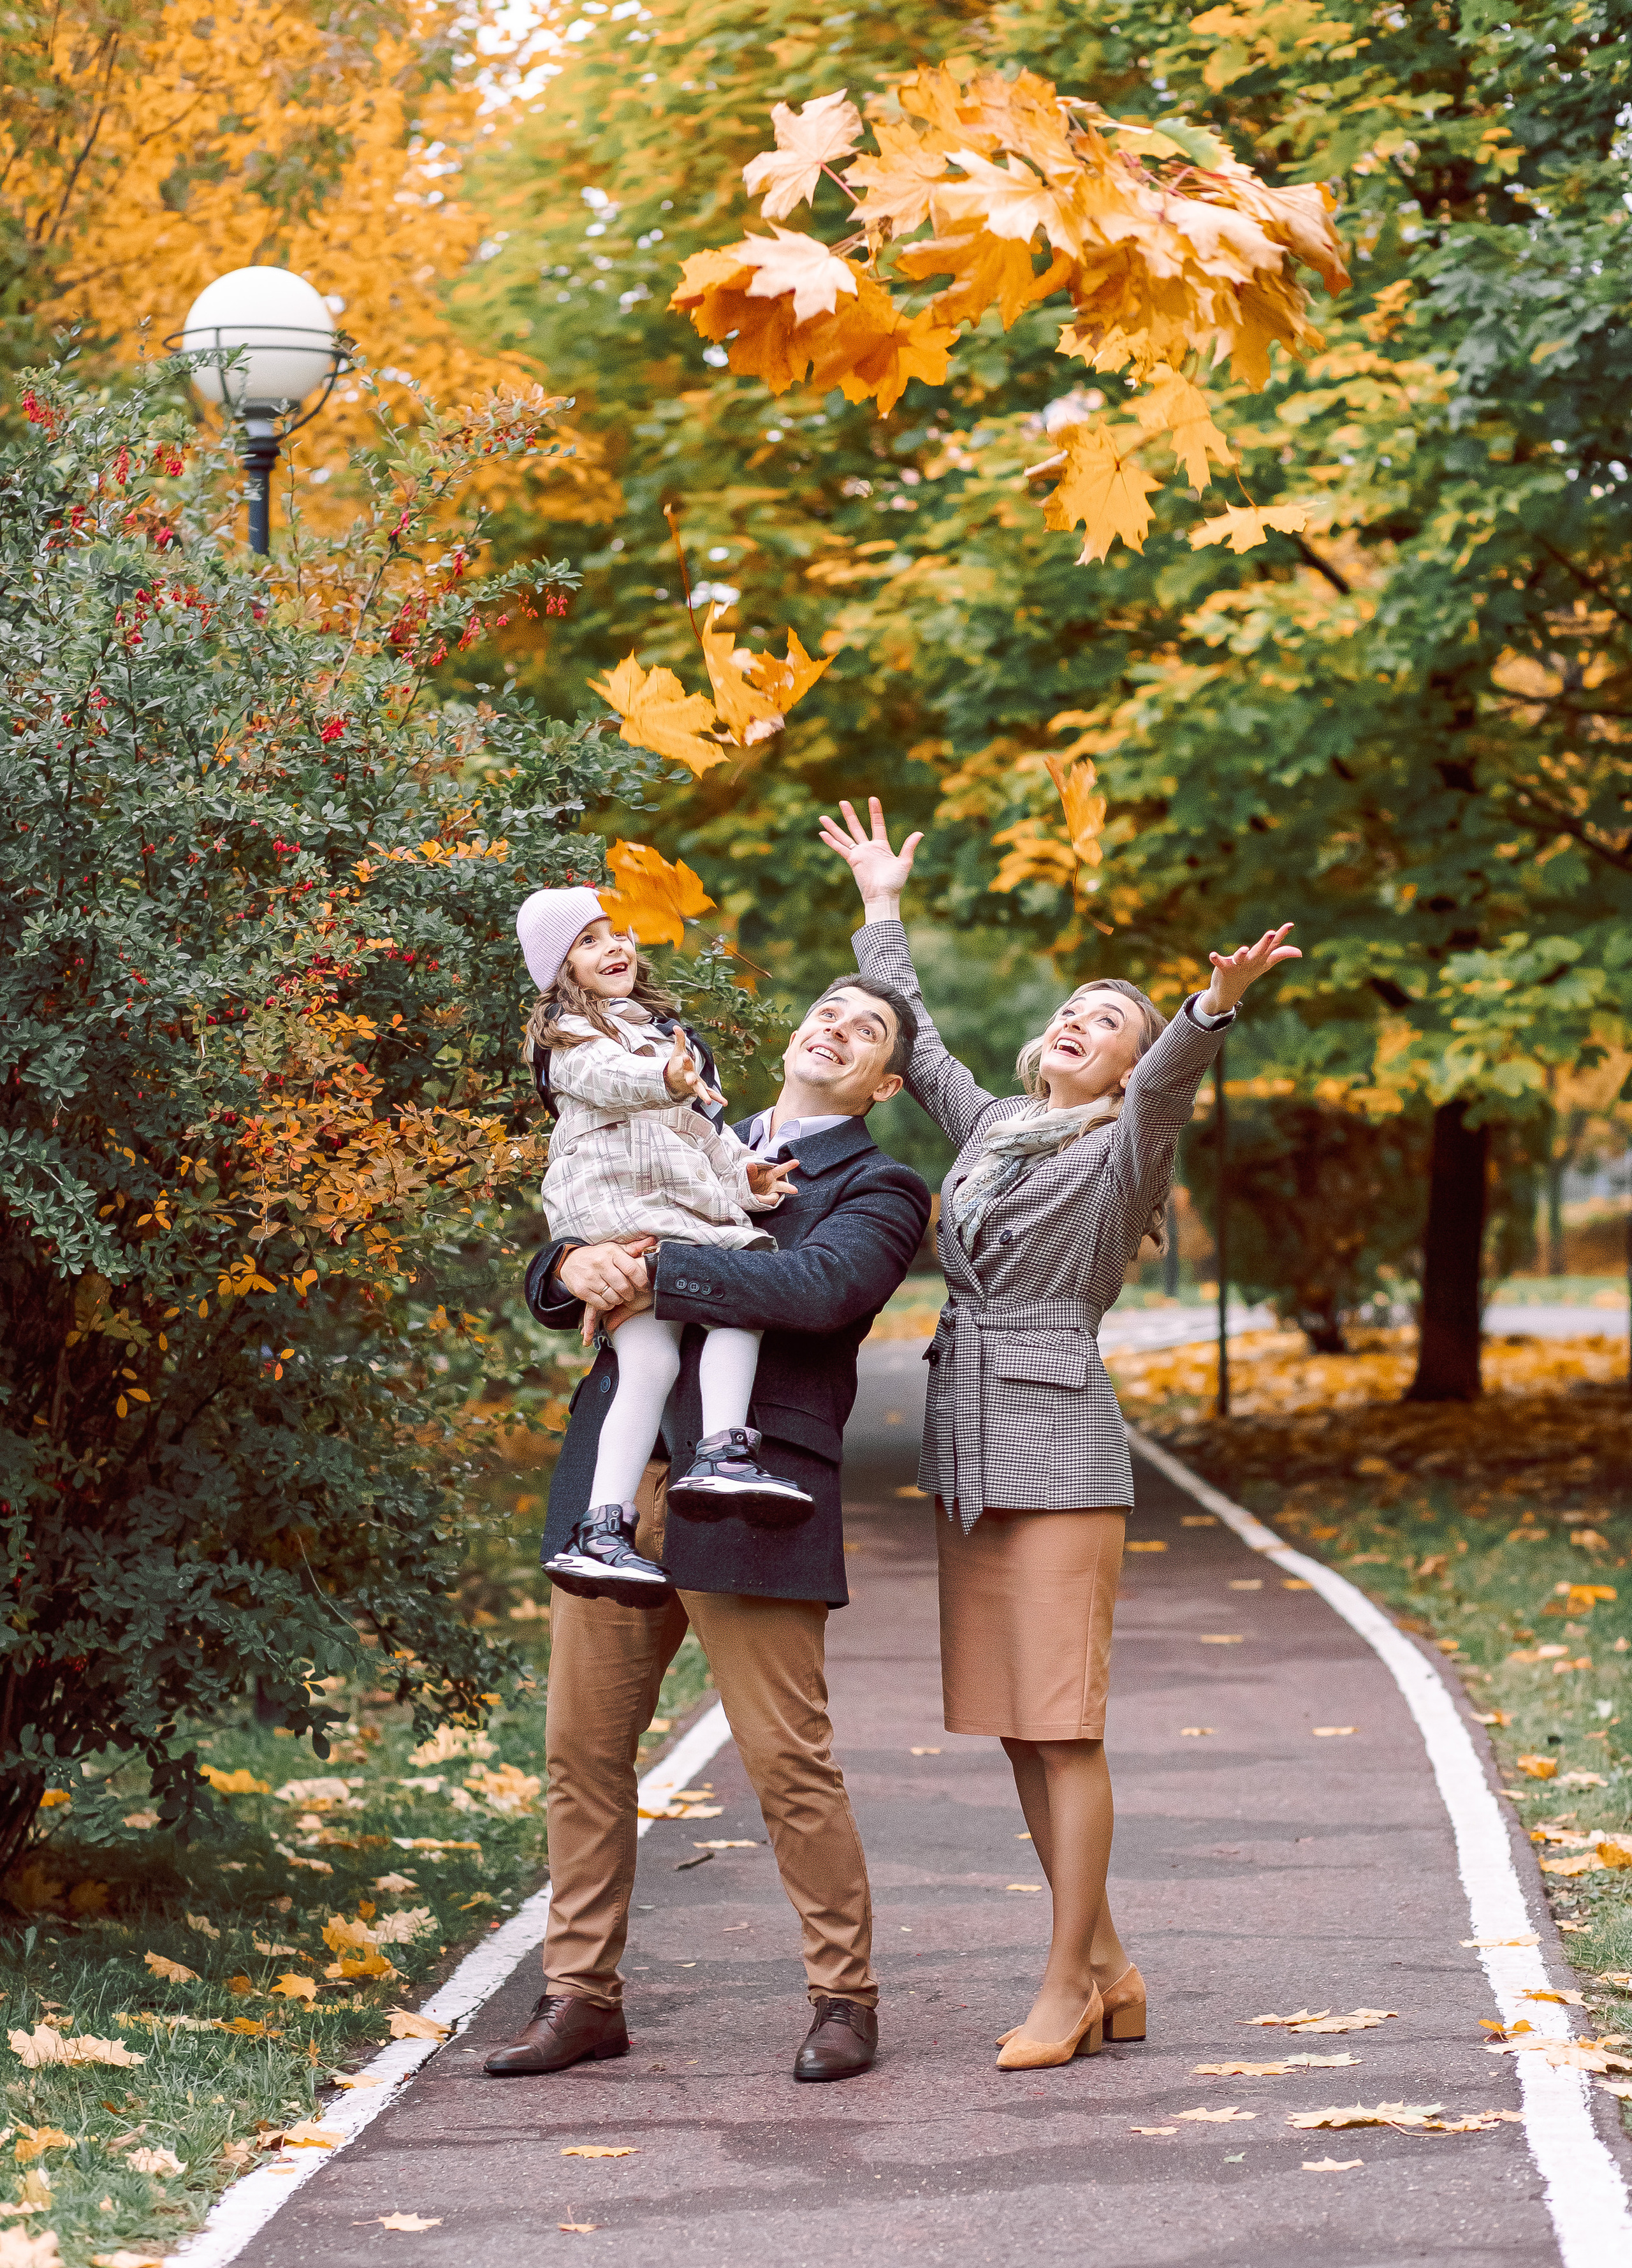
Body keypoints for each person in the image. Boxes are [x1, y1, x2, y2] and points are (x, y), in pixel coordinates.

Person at [822, 794, 1299, 2072]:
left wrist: (1202, 1012)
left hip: (1054, 1443)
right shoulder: (993, 1132)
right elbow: (913, 1044)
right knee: (1018, 1723)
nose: (1082, 1022)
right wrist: (881, 906)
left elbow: (1162, 1090)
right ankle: (1106, 1965)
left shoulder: (1121, 1149)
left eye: (1111, 1020)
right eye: (1073, 1009)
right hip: (967, 1446)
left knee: (1064, 1722)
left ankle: (1066, 1988)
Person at [482, 971, 933, 2084]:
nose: (835, 1026)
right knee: (582, 1755)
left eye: (865, 1028)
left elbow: (817, 1291)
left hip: (755, 1484)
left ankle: (845, 1998)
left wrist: (645, 1264)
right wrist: (564, 1266)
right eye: (825, 1007)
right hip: (619, 1484)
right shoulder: (683, 1118)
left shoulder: (883, 1187)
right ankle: (581, 1996)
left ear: (885, 1080)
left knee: (787, 1763)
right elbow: (583, 1205)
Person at [515, 886, 813, 1609]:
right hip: (621, 1201)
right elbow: (611, 1084)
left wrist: (747, 1177)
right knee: (722, 1304)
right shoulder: (569, 1040)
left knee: (671, 1345)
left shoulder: (662, 1033)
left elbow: (703, 1135)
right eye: (587, 941)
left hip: (675, 1201)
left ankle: (620, 1515)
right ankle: (705, 1461)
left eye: (615, 932)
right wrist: (664, 1075)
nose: (612, 946)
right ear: (560, 972)